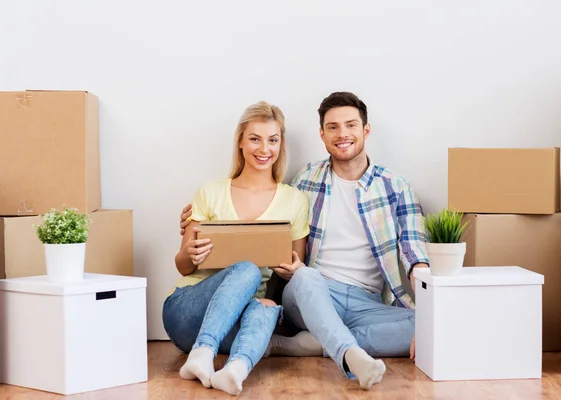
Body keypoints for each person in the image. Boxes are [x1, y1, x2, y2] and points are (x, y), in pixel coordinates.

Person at [179, 92, 430, 390]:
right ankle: (350, 354)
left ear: (366, 130)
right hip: (311, 290)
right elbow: (266, 213)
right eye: (333, 127)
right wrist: (194, 222)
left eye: (351, 125)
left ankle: (308, 344)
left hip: (368, 301)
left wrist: (430, 309)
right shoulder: (306, 180)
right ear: (322, 134)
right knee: (307, 276)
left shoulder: (396, 187)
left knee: (427, 325)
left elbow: (416, 254)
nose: (343, 134)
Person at [163, 101, 313, 396]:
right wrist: (189, 255)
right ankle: (202, 353)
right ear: (241, 142)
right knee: (246, 268)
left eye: (273, 140)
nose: (264, 149)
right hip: (187, 312)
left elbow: (296, 266)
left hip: (236, 325)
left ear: (280, 145)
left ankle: (235, 371)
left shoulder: (295, 200)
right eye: (255, 139)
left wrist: (293, 269)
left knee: (267, 307)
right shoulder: (210, 192)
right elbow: (183, 266)